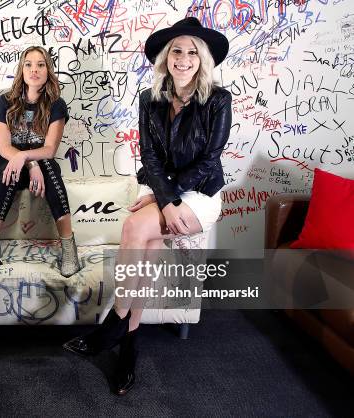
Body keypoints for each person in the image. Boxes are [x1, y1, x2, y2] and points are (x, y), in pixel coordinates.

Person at [63, 17, 231, 395]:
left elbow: (210, 160)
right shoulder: (149, 99)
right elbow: (151, 159)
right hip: (165, 190)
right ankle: (128, 347)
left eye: (192, 52)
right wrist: (163, 197)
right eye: (176, 51)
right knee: (147, 248)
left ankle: (115, 323)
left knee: (134, 228)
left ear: (202, 58)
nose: (183, 59)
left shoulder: (218, 100)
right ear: (166, 57)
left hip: (201, 193)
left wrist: (167, 199)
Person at [0, 45, 81, 277]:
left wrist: (29, 158)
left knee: (49, 167)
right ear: (21, 70)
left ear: (48, 70)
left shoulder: (56, 104)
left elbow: (49, 149)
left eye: (40, 64)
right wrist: (27, 162)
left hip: (41, 163)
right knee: (8, 171)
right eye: (28, 64)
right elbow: (5, 147)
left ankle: (68, 249)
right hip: (11, 161)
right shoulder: (5, 102)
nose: (34, 70)